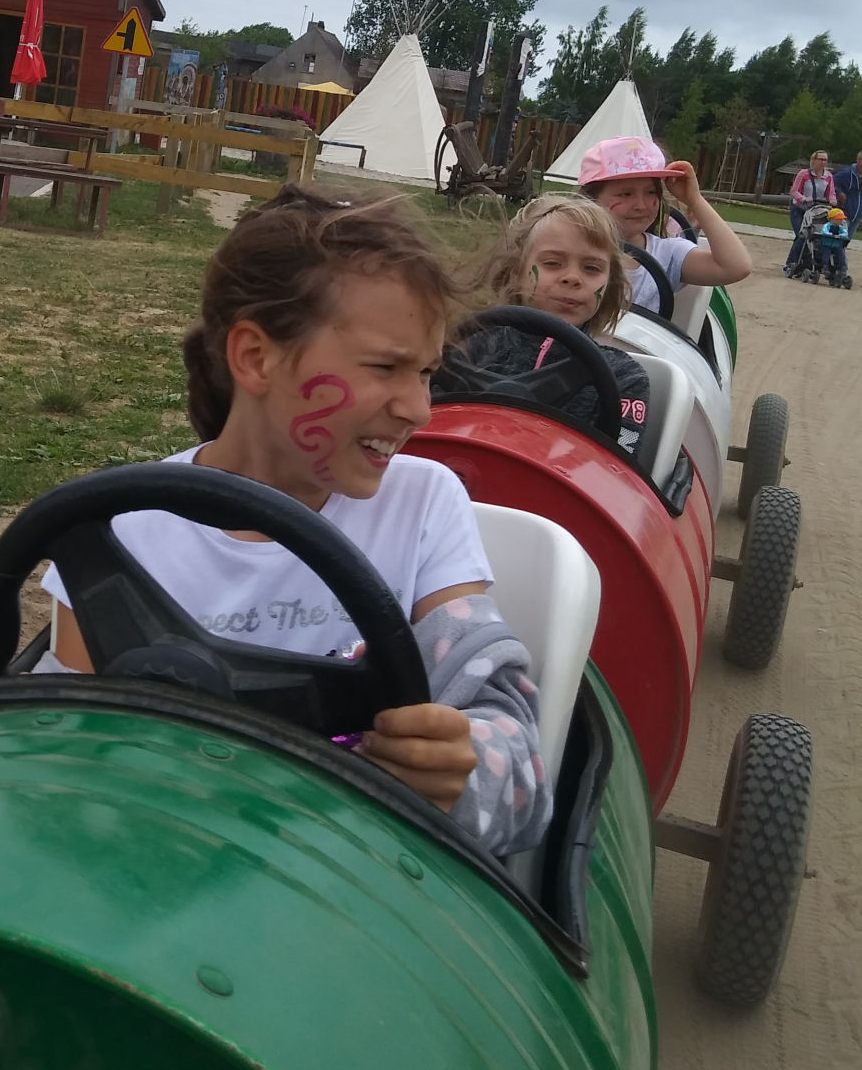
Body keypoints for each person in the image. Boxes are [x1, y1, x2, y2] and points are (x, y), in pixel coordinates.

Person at [38, 185, 552, 857]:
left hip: (344, 873)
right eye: (386, 367)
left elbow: (516, 758)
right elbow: (60, 757)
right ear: (256, 358)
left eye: (426, 372)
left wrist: (463, 767)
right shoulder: (119, 532)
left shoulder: (422, 506)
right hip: (155, 862)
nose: (420, 409)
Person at [434, 197, 651, 458]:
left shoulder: (624, 377)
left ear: (609, 285)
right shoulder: (467, 347)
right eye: (552, 263)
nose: (572, 278)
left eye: (591, 268)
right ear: (516, 273)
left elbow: (620, 465)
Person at [576, 137, 752, 312]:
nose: (641, 205)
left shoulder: (666, 255)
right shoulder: (569, 247)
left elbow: (736, 267)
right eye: (625, 194)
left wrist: (694, 199)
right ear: (591, 198)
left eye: (651, 192)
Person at [785, 150, 837, 277]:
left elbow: (831, 193)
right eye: (821, 159)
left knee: (814, 237)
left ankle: (805, 263)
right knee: (802, 235)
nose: (823, 162)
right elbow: (794, 191)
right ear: (814, 160)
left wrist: (832, 200)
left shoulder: (828, 177)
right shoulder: (804, 174)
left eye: (825, 160)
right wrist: (803, 198)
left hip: (816, 211)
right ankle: (791, 262)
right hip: (800, 209)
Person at [833, 149, 862, 239]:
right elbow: (831, 183)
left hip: (858, 214)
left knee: (847, 239)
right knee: (840, 238)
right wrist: (839, 193)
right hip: (843, 212)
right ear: (858, 160)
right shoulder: (846, 173)